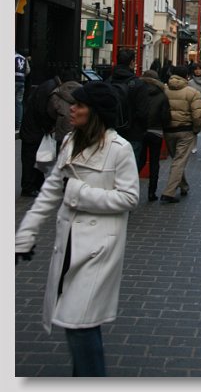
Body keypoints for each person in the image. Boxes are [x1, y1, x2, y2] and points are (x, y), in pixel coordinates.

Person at [15, 81, 139, 376]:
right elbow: (50, 191)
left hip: (99, 248)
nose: (71, 108)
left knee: (79, 322)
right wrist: (25, 233)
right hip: (69, 241)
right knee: (80, 322)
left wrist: (79, 193)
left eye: (79, 105)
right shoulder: (71, 141)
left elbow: (129, 198)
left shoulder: (119, 149)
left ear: (95, 112)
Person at [160, 65, 201, 203]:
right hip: (185, 130)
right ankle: (169, 193)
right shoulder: (192, 92)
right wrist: (196, 129)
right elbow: (198, 115)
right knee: (179, 161)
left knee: (177, 159)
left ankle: (184, 186)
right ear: (186, 76)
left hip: (168, 130)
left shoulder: (164, 90)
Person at [18, 74, 61, 197]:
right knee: (31, 159)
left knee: (35, 158)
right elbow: (41, 110)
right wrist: (48, 126)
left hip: (33, 129)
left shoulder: (49, 86)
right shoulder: (49, 89)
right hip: (33, 130)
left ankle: (36, 184)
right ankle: (28, 187)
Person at [107, 48, 149, 168]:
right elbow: (143, 112)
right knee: (130, 169)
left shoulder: (108, 82)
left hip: (111, 132)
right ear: (131, 63)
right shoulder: (138, 84)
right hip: (133, 133)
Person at [139, 69, 172, 201]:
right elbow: (165, 116)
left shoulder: (138, 93)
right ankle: (152, 192)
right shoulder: (162, 95)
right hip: (156, 132)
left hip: (140, 131)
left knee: (139, 160)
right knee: (154, 162)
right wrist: (165, 127)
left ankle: (130, 187)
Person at [48, 68, 83, 154]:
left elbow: (51, 111)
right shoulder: (84, 91)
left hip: (62, 129)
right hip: (79, 129)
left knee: (61, 155)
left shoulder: (57, 92)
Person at [15, 50, 31, 131]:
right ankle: (18, 124)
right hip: (21, 82)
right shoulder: (23, 58)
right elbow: (28, 70)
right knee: (18, 103)